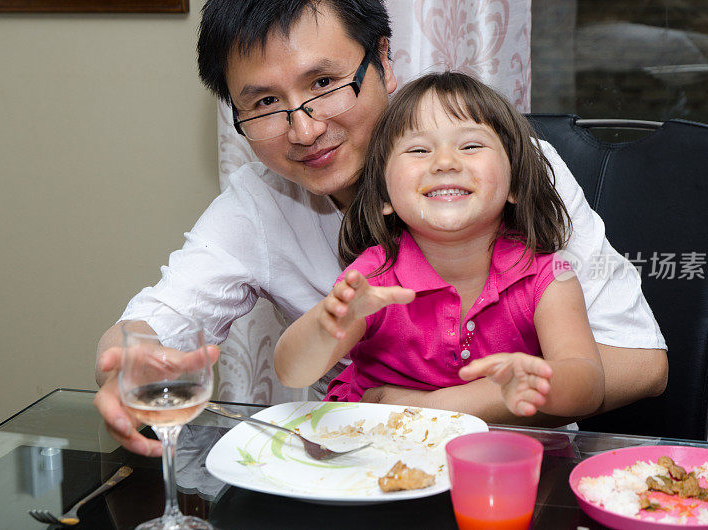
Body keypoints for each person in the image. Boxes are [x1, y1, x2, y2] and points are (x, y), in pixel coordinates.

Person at [94, 0, 667, 457]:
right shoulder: (259, 204)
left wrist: (443, 405)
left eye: (322, 83)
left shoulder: (513, 178)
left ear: (384, 61)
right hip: (359, 466)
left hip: (517, 465)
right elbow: (160, 322)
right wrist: (126, 360)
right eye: (266, 102)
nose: (304, 128)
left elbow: (644, 363)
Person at [274, 72, 605, 418]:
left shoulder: (546, 278)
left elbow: (589, 385)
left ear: (515, 185)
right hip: (373, 453)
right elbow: (293, 371)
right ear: (384, 196)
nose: (445, 162)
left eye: (471, 145)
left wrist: (540, 383)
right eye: (419, 150)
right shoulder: (374, 277)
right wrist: (326, 325)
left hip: (495, 461)